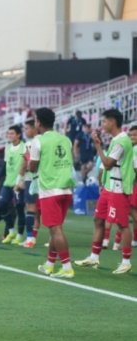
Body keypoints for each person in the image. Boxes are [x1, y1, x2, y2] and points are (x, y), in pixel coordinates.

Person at [74, 109, 134, 274]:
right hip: (109, 187)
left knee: (122, 225)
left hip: (118, 188)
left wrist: (98, 145)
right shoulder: (117, 139)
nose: (102, 124)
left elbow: (107, 164)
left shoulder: (121, 141)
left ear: (112, 122)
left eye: (104, 121)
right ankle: (93, 257)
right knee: (98, 219)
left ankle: (126, 261)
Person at [30, 107, 76, 278]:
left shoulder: (38, 141)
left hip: (50, 190)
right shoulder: (66, 140)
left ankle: (66, 268)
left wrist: (27, 159)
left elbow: (32, 167)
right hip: (66, 189)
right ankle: (49, 264)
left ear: (39, 122)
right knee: (56, 229)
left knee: (55, 230)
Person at [0, 125, 26, 244]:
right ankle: (11, 231)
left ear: (18, 134)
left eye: (12, 133)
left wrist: (20, 181)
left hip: (18, 183)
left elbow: (25, 165)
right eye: (8, 133)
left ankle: (19, 235)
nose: (9, 136)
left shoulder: (24, 147)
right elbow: (5, 165)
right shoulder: (7, 147)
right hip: (7, 182)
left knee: (19, 209)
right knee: (1, 206)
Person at [20, 119, 40, 248]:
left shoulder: (34, 143)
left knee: (32, 208)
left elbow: (30, 163)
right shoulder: (29, 143)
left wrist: (27, 157)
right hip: (33, 178)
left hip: (34, 178)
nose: (25, 131)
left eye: (27, 128)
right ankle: (31, 237)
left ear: (35, 128)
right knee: (33, 209)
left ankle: (30, 238)